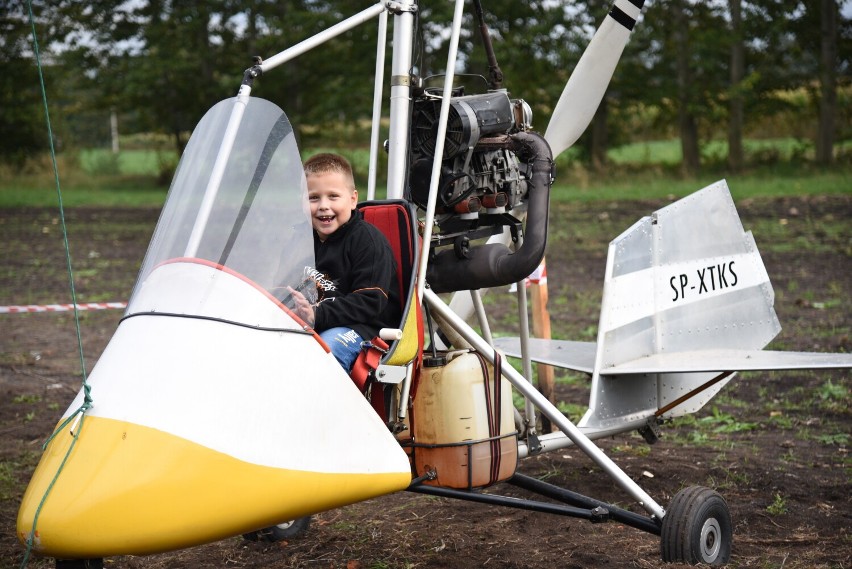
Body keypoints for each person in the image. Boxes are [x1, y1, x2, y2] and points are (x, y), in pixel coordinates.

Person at [288, 153, 401, 372]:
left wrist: (318, 314)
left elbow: (370, 301)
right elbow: (286, 283)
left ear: (352, 199)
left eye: (333, 196)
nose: (323, 206)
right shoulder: (300, 239)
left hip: (362, 327)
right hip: (309, 321)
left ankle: (323, 404)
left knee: (324, 352)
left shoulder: (367, 241)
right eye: (313, 198)